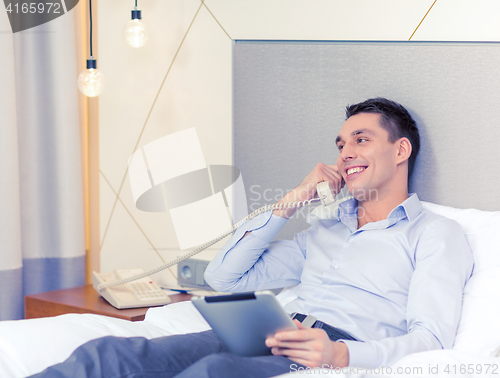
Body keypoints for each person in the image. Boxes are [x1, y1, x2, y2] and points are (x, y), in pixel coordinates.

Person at [30, 98, 473, 377]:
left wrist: (339, 355)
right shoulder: (325, 230)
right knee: (109, 355)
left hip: (329, 348)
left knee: (212, 372)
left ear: (400, 151)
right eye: (340, 145)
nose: (346, 152)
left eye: (361, 139)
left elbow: (432, 339)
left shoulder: (435, 234)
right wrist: (292, 201)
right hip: (268, 330)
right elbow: (224, 277)